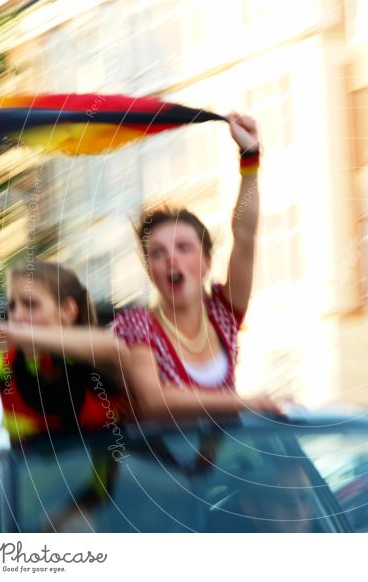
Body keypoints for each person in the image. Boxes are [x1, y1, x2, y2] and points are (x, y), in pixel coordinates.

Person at [113, 112, 281, 420]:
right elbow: (154, 400)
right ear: (151, 272)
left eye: (183, 248)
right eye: (158, 253)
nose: (171, 259)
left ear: (206, 262)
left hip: (223, 465)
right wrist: (243, 403)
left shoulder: (223, 313)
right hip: (160, 468)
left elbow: (244, 235)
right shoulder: (138, 327)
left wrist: (250, 160)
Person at [0, 261, 128, 439]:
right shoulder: (5, 362)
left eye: (30, 304)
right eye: (12, 306)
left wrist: (22, 335)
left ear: (68, 310)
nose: (16, 316)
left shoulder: (95, 357)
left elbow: (115, 348)